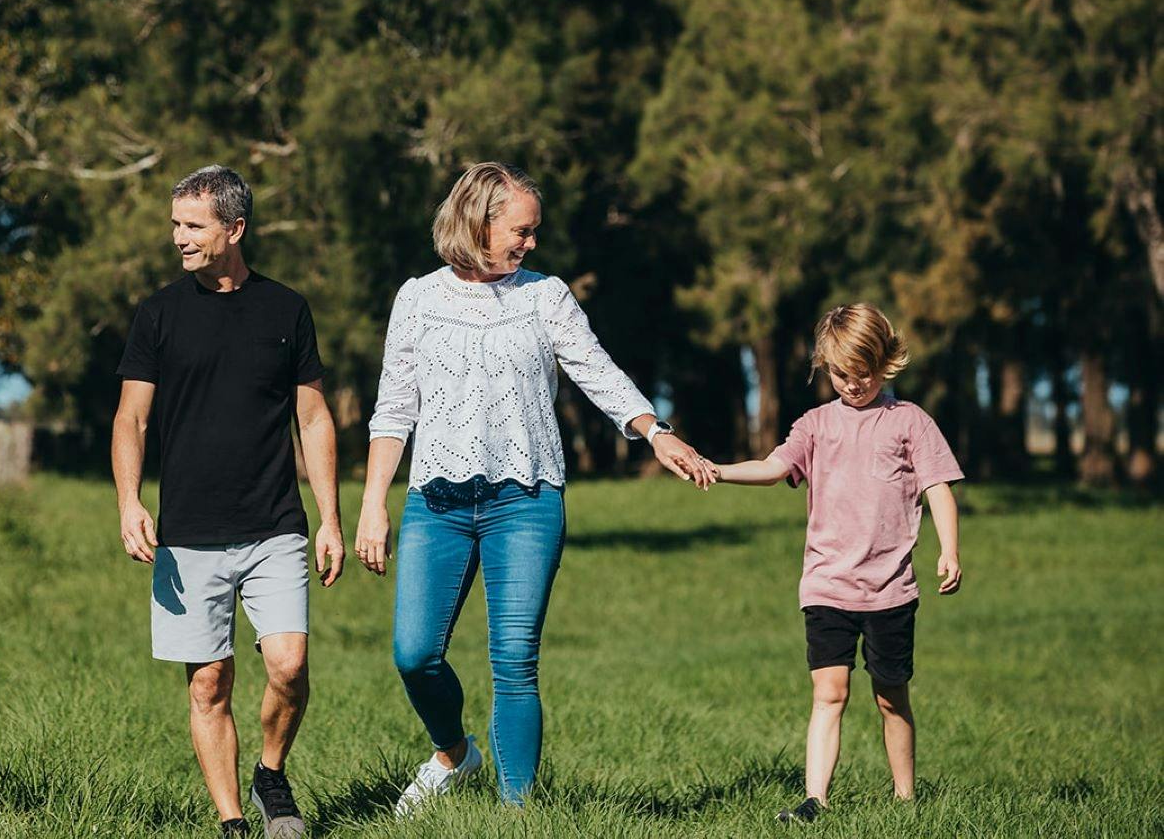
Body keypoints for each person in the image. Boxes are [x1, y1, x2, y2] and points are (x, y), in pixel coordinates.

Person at [355, 161, 716, 813]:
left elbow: (596, 371)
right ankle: (453, 753)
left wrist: (655, 431)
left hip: (525, 500)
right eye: (520, 231)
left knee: (515, 661)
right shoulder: (418, 298)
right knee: (414, 655)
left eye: (533, 231)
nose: (531, 242)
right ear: (478, 222)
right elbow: (394, 409)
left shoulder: (545, 296)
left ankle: (515, 816)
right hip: (436, 502)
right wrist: (372, 505)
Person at [112, 165, 345, 838]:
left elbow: (313, 419)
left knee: (289, 665)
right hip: (187, 531)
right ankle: (233, 821)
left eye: (194, 225)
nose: (179, 238)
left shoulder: (286, 309)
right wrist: (129, 502)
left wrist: (330, 518)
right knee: (209, 683)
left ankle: (270, 772)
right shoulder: (158, 313)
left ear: (235, 228)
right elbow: (131, 419)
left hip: (274, 523)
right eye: (175, 225)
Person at [712, 302, 962, 824]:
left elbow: (938, 487)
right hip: (827, 584)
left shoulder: (910, 422)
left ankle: (905, 800)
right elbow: (773, 467)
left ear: (886, 362)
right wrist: (717, 469)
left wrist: (949, 549)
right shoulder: (815, 426)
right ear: (826, 368)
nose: (852, 384)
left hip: (890, 589)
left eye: (863, 373)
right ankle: (815, 800)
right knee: (829, 692)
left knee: (891, 697)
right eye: (841, 374)